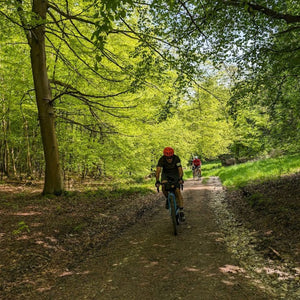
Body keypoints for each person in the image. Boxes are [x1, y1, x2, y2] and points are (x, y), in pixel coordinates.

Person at [155, 147, 185, 222]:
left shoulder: (176, 158)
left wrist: (180, 178)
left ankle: (181, 210)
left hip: (175, 174)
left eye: (170, 157)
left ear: (172, 156)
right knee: (164, 187)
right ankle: (168, 199)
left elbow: (180, 169)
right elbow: (158, 171)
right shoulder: (161, 159)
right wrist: (157, 180)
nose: (169, 159)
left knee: (177, 191)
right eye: (167, 158)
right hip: (166, 174)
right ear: (165, 156)